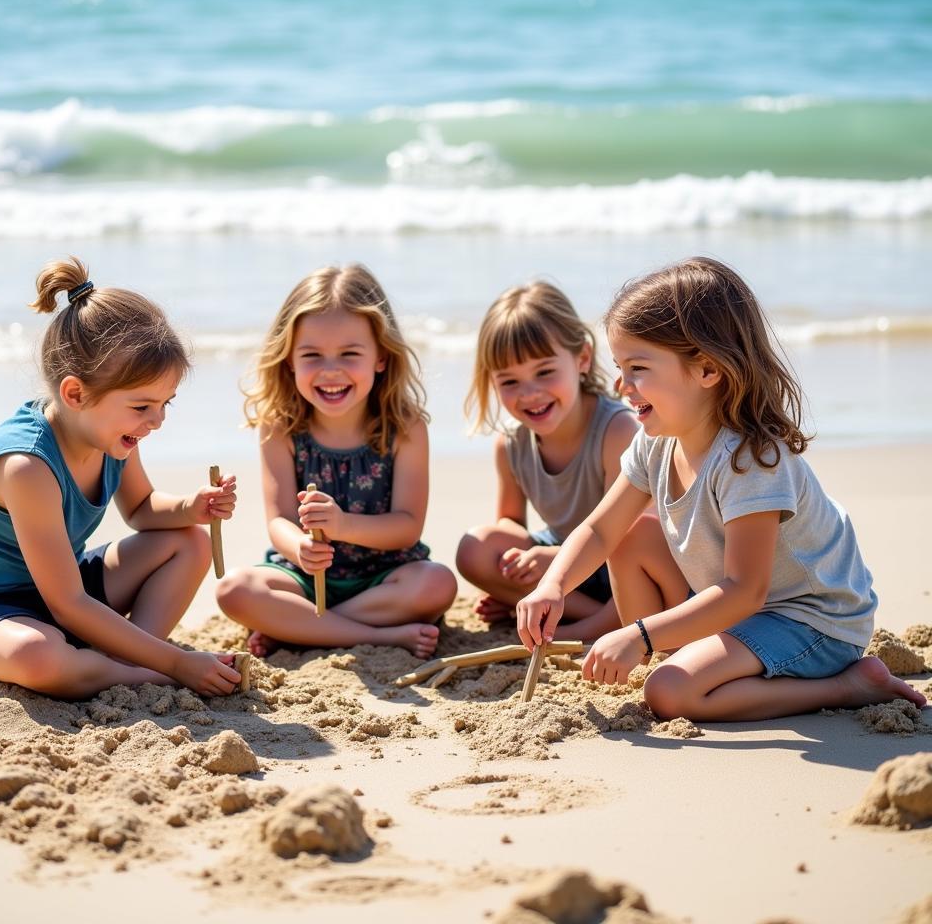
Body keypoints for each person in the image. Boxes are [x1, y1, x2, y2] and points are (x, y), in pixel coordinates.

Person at [516, 256, 926, 721]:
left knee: (670, 694)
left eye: (637, 368)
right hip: (741, 612)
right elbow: (602, 530)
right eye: (619, 366)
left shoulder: (749, 459)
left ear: (707, 369)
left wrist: (640, 635)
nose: (620, 384)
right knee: (631, 538)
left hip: (809, 620)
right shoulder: (657, 444)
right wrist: (553, 585)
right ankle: (679, 657)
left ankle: (847, 685)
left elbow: (745, 590)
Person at [0, 257, 242, 699]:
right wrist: (177, 663)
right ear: (75, 393)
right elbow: (68, 605)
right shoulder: (27, 466)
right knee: (37, 655)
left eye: (167, 403)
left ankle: (124, 662)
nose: (157, 421)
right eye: (142, 406)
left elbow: (142, 509)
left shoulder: (113, 434)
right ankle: (150, 671)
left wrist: (193, 507)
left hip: (59, 585)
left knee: (189, 541)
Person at [217, 264, 456, 658]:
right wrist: (299, 550)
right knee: (234, 591)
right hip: (305, 577)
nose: (331, 371)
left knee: (437, 584)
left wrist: (342, 524)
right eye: (312, 355)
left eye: (349, 354)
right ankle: (378, 636)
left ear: (381, 356)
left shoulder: (405, 427)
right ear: (289, 359)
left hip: (383, 577)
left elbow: (407, 528)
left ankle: (303, 627)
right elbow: (279, 521)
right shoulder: (279, 427)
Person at [455, 282, 637, 641]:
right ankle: (556, 609)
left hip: (619, 564)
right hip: (563, 569)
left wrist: (555, 559)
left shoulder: (617, 431)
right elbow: (511, 522)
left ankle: (597, 623)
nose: (530, 394)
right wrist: (511, 567)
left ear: (582, 359)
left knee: (632, 547)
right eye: (509, 381)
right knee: (474, 548)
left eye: (544, 372)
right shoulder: (511, 442)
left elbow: (625, 533)